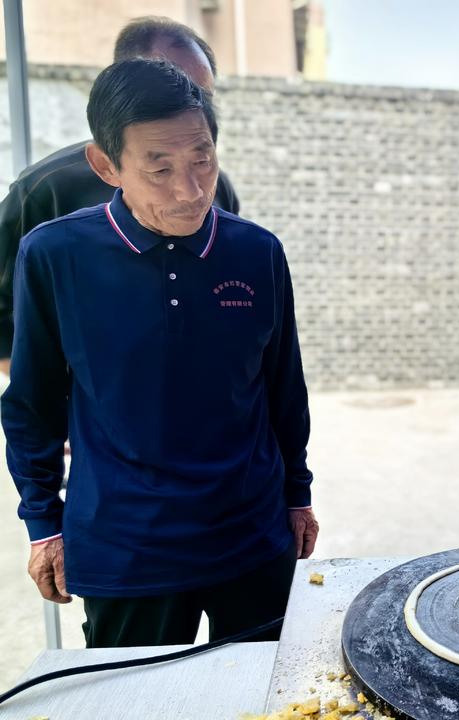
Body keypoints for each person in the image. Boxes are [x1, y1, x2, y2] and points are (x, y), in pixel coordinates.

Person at [1, 58, 317, 647]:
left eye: (202, 159)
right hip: (126, 549)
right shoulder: (54, 255)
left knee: (274, 698)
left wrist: (297, 496)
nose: (190, 189)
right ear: (107, 165)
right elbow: (31, 405)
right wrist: (43, 523)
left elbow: (283, 389)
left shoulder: (257, 253)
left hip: (251, 537)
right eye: (159, 168)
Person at [0, 16, 240, 375]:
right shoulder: (46, 189)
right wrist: (64, 397)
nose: (184, 104)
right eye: (166, 85)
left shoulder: (219, 189)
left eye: (200, 94)